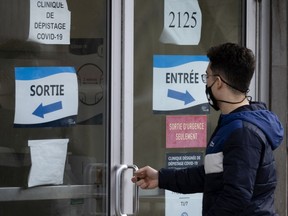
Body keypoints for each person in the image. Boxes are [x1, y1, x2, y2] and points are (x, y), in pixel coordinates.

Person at [131, 43, 284, 215]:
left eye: (207, 77)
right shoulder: (235, 123)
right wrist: (161, 178)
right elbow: (211, 177)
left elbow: (236, 197)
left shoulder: (242, 132)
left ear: (218, 83)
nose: (206, 84)